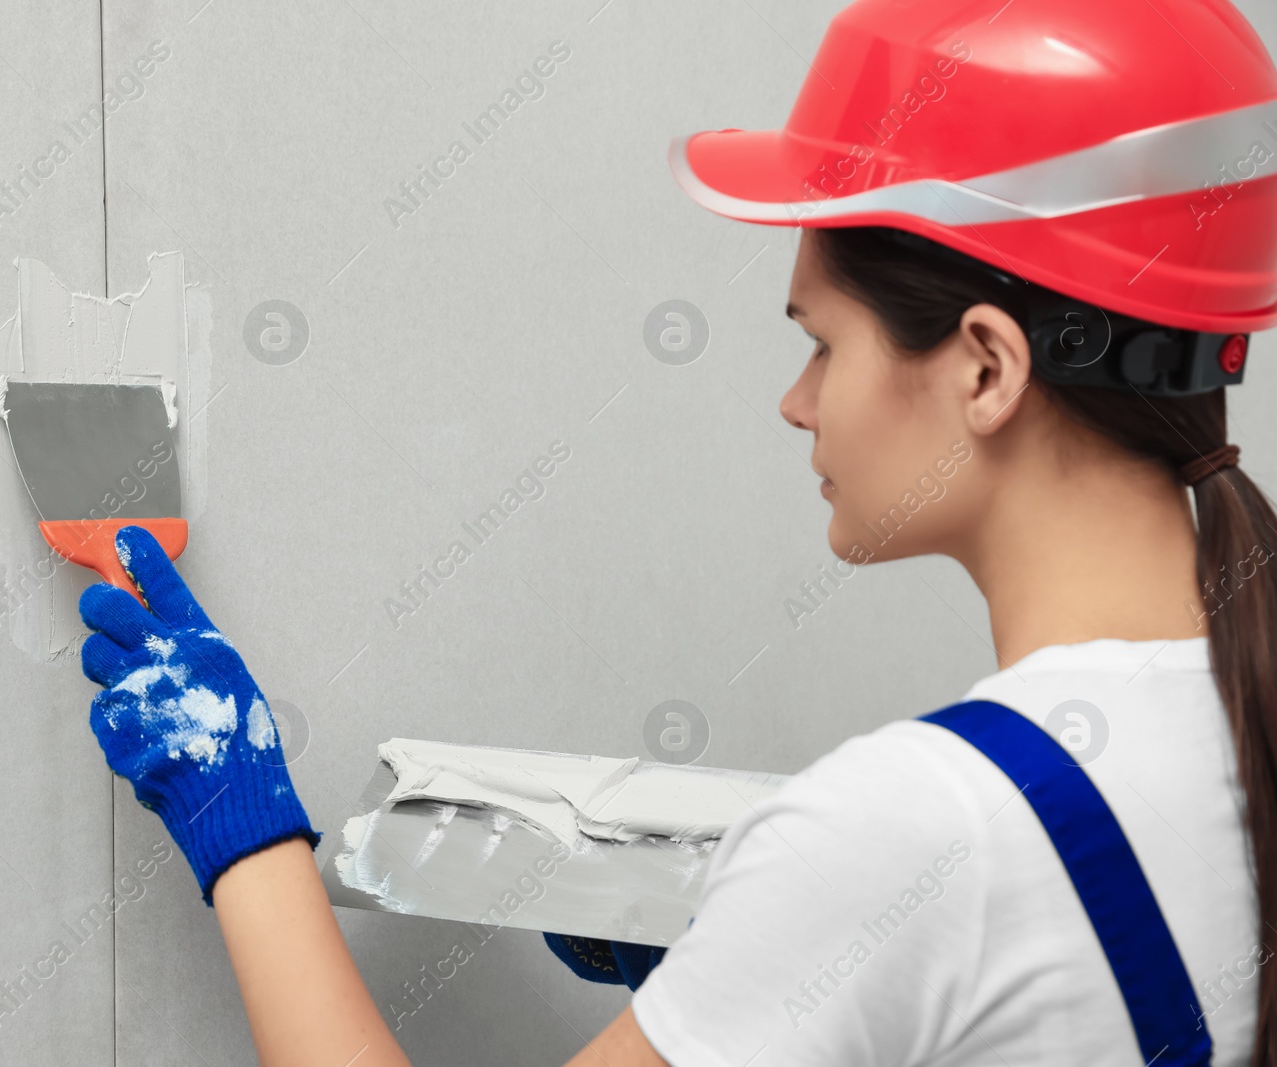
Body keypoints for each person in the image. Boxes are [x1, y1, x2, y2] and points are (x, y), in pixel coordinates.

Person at [75, 0, 1277, 1063]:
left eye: (822, 341)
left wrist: (243, 829)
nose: (797, 400)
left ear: (983, 367)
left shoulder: (913, 829)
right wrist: (757, 975)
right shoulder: (1231, 723)